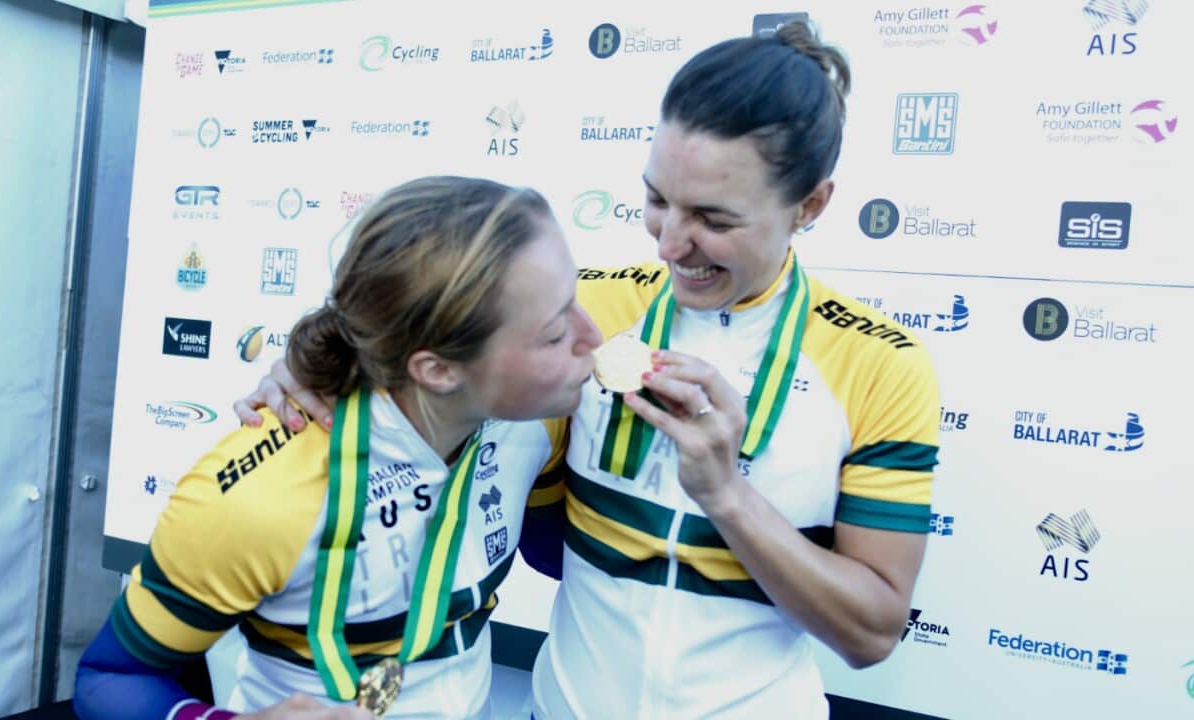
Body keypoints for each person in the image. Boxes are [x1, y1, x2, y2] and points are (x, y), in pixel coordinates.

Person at [237, 24, 940, 719]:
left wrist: (727, 495)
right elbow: (419, 357)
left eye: (713, 220)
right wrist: (310, 370)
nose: (669, 243)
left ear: (811, 205)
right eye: (658, 199)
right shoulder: (591, 303)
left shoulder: (881, 364)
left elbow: (871, 633)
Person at [74, 176, 603, 720]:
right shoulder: (259, 497)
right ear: (438, 369)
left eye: (576, 302)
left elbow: (564, 556)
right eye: (554, 332)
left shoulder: (535, 418)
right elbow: (108, 677)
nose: (595, 336)